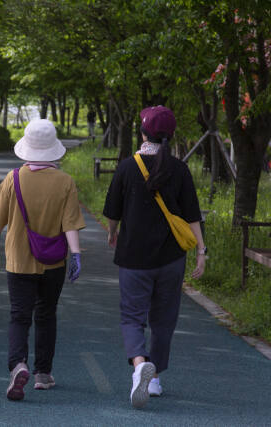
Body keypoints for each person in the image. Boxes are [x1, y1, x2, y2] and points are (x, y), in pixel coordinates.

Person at [102, 105, 206, 409]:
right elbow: (192, 216)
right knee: (164, 319)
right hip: (172, 259)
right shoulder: (180, 169)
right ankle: (155, 377)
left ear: (142, 132)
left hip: (134, 257)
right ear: (170, 135)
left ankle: (139, 366)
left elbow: (112, 212)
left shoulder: (126, 167)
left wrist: (112, 233)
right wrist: (201, 251)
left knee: (132, 316)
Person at [0, 119, 86, 401]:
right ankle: (43, 374)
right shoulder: (65, 182)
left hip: (18, 260)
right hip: (53, 262)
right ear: (53, 148)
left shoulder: (14, 177)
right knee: (46, 314)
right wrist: (76, 254)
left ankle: (18, 365)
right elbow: (70, 223)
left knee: (19, 316)